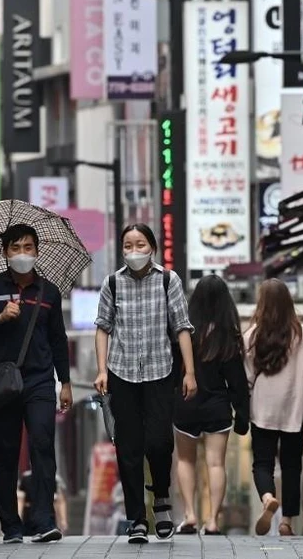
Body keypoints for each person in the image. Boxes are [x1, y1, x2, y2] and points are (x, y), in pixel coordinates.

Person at [0, 224, 73, 544]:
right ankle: (11, 525)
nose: (22, 254)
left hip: (40, 380)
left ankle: (43, 519)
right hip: (4, 383)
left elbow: (58, 339)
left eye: (28, 247)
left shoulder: (48, 291)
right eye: (15, 248)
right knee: (6, 453)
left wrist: (64, 382)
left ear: (37, 251)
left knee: (42, 444)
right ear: (5, 252)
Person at [94, 223, 198, 544]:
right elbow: (102, 327)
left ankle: (162, 500)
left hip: (160, 372)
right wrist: (101, 370)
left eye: (140, 244)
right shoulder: (112, 282)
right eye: (128, 245)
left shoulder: (169, 280)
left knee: (159, 442)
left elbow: (182, 327)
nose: (134, 250)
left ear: (152, 247)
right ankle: (137, 519)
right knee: (128, 448)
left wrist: (190, 372)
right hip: (121, 373)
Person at [244, 279, 303, 537]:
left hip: (263, 410)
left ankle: (267, 498)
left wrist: (243, 408)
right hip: (295, 410)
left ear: (262, 304)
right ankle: (286, 521)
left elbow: (248, 379)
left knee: (262, 463)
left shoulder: (251, 336)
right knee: (291, 465)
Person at [172, 275, 249, 536]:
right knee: (216, 463)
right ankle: (213, 520)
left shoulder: (183, 332)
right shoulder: (228, 335)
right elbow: (237, 379)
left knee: (185, 460)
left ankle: (190, 515)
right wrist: (242, 412)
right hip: (218, 405)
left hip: (185, 402)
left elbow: (173, 371)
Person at [18, 471, 68, 535]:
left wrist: (63, 520)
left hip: (48, 511)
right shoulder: (26, 478)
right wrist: (19, 516)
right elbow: (21, 499)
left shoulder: (55, 479)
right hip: (29, 514)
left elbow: (60, 501)